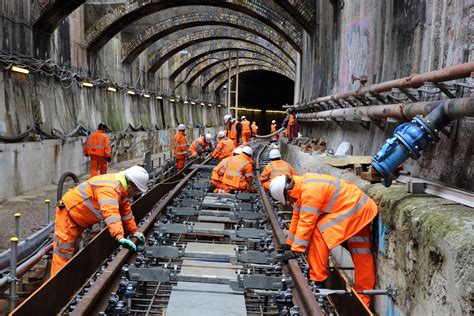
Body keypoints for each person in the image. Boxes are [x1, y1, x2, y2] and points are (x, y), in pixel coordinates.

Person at [269, 174, 378, 307]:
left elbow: (307, 222)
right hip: (360, 207)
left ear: (288, 192)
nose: (288, 203)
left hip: (354, 209)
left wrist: (297, 250)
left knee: (320, 231)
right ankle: (363, 300)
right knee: (361, 253)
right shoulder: (300, 187)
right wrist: (290, 244)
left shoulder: (309, 193)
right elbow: (297, 218)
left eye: (287, 200)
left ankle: (318, 279)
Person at [51, 166, 149, 275]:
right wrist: (119, 236)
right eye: (136, 191)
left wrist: (133, 231)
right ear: (130, 186)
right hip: (68, 215)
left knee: (71, 252)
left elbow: (126, 212)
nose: (135, 194)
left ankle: (67, 279)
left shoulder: (122, 190)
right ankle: (57, 288)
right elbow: (111, 213)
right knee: (63, 254)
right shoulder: (109, 189)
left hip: (79, 219)